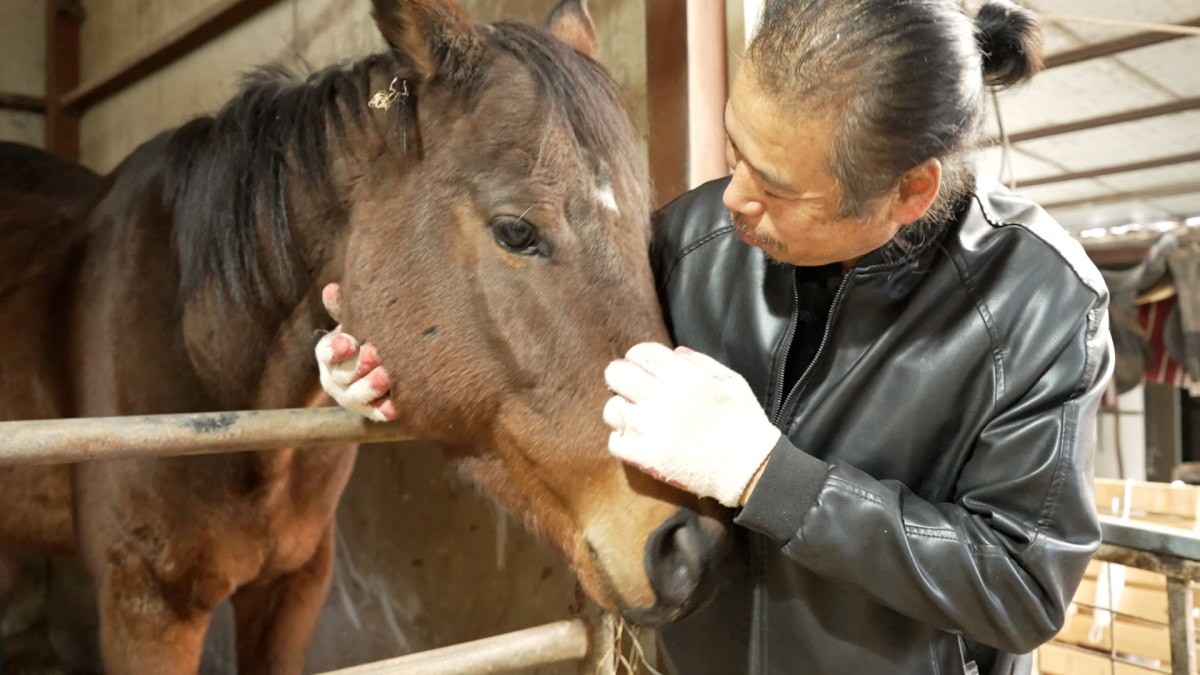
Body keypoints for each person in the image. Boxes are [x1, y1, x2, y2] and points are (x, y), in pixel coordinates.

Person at [315, 1, 1113, 672]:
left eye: (776, 185)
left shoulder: (1039, 305)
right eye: (736, 151)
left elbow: (1022, 585)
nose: (730, 200)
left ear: (909, 191)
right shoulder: (689, 240)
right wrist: (379, 369)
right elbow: (522, 330)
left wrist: (769, 475)